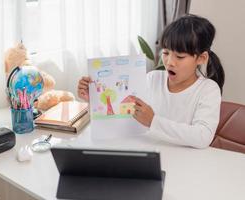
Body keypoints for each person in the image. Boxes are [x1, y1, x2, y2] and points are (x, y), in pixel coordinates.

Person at [77, 14, 225, 149]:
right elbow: (123, 121)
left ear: (201, 58)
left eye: (179, 57)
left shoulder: (208, 90)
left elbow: (202, 137)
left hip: (185, 163)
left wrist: (153, 121)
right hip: (148, 153)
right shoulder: (152, 78)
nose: (169, 62)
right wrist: (95, 101)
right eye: (166, 53)